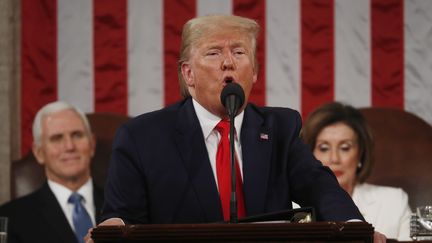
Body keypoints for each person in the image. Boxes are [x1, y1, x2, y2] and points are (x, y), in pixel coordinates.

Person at [87, 15, 385, 242]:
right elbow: (122, 216)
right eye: (214, 53)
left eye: (239, 53)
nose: (228, 62)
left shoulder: (279, 127)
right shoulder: (143, 137)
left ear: (254, 72)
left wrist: (355, 229)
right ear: (188, 74)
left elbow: (319, 188)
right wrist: (113, 228)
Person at [301, 101, 411, 240]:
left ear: (360, 154)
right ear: (309, 154)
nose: (334, 159)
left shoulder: (394, 201)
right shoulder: (291, 207)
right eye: (324, 148)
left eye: (345, 148)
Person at [0, 101, 104, 243]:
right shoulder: (10, 217)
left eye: (77, 135)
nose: (69, 146)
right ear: (39, 153)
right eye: (57, 138)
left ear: (92, 144)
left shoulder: (125, 208)